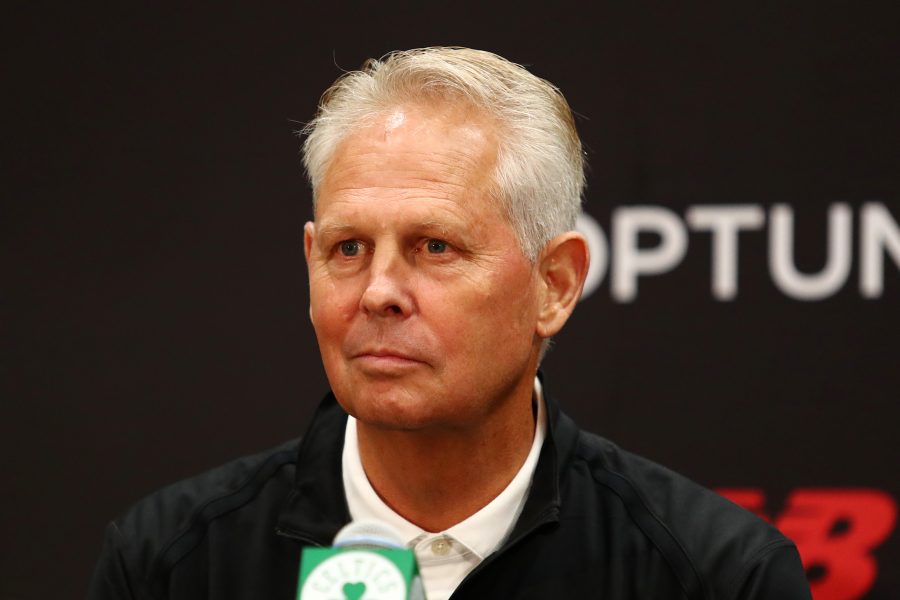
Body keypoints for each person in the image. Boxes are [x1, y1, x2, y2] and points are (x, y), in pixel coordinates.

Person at [88, 47, 811, 599]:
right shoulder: (172, 563)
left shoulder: (716, 576)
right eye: (349, 249)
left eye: (435, 247)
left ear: (553, 286)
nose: (378, 293)